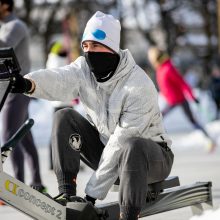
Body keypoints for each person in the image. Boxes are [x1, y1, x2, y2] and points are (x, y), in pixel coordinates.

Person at [10, 11, 174, 220]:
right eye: (85, 46)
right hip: (109, 150)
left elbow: (121, 142)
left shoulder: (138, 86)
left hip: (152, 157)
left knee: (132, 146)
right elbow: (60, 78)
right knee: (65, 116)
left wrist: (91, 196)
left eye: (95, 46)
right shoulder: (84, 70)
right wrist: (28, 83)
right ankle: (67, 194)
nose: (89, 52)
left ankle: (129, 215)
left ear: (111, 48)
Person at [0, 0, 45, 201]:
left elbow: (2, 47)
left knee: (9, 137)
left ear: (5, 5)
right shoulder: (5, 26)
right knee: (25, 138)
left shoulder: (15, 26)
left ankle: (16, 190)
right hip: (12, 89)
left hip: (17, 89)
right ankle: (37, 183)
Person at [147, 46, 216, 152]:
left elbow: (182, 83)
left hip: (179, 99)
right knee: (159, 118)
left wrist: (192, 97)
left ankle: (209, 140)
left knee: (191, 120)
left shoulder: (168, 68)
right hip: (171, 100)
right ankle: (155, 140)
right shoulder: (160, 69)